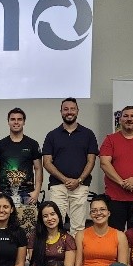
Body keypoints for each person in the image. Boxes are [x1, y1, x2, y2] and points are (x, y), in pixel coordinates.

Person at [42, 97, 99, 237]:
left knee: (78, 227)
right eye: (66, 109)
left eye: (72, 109)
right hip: (58, 186)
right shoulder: (52, 135)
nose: (69, 112)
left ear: (77, 111)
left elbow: (91, 161)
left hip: (80, 186)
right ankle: (57, 251)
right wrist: (65, 179)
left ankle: (75, 252)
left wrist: (78, 180)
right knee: (55, 224)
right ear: (61, 112)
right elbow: (47, 162)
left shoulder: (88, 134)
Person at [0, 107, 42, 204]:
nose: (16, 122)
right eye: (13, 119)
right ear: (8, 122)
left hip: (27, 193)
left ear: (24, 122)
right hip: (5, 193)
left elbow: (38, 168)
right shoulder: (0, 145)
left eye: (19, 119)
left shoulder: (33, 144)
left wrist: (36, 192)